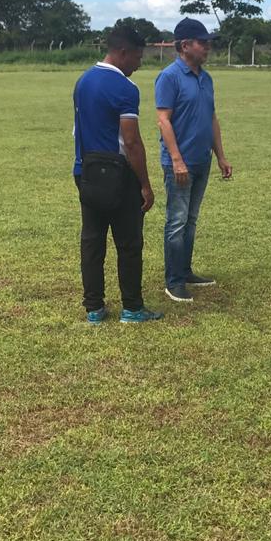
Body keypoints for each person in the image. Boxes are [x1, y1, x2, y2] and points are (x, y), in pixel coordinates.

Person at [72, 26, 163, 323]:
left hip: (85, 171)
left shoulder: (82, 81)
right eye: (138, 57)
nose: (139, 63)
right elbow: (131, 142)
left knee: (92, 241)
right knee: (129, 243)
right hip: (118, 175)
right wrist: (145, 185)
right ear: (123, 52)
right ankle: (132, 308)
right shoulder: (125, 88)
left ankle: (94, 308)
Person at [155, 17, 233, 303]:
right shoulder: (169, 77)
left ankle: (185, 271)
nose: (208, 47)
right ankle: (173, 281)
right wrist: (177, 160)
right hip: (180, 163)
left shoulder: (206, 78)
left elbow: (211, 118)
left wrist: (220, 156)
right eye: (203, 42)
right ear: (185, 45)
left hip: (201, 160)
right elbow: (163, 121)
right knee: (176, 221)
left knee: (190, 219)